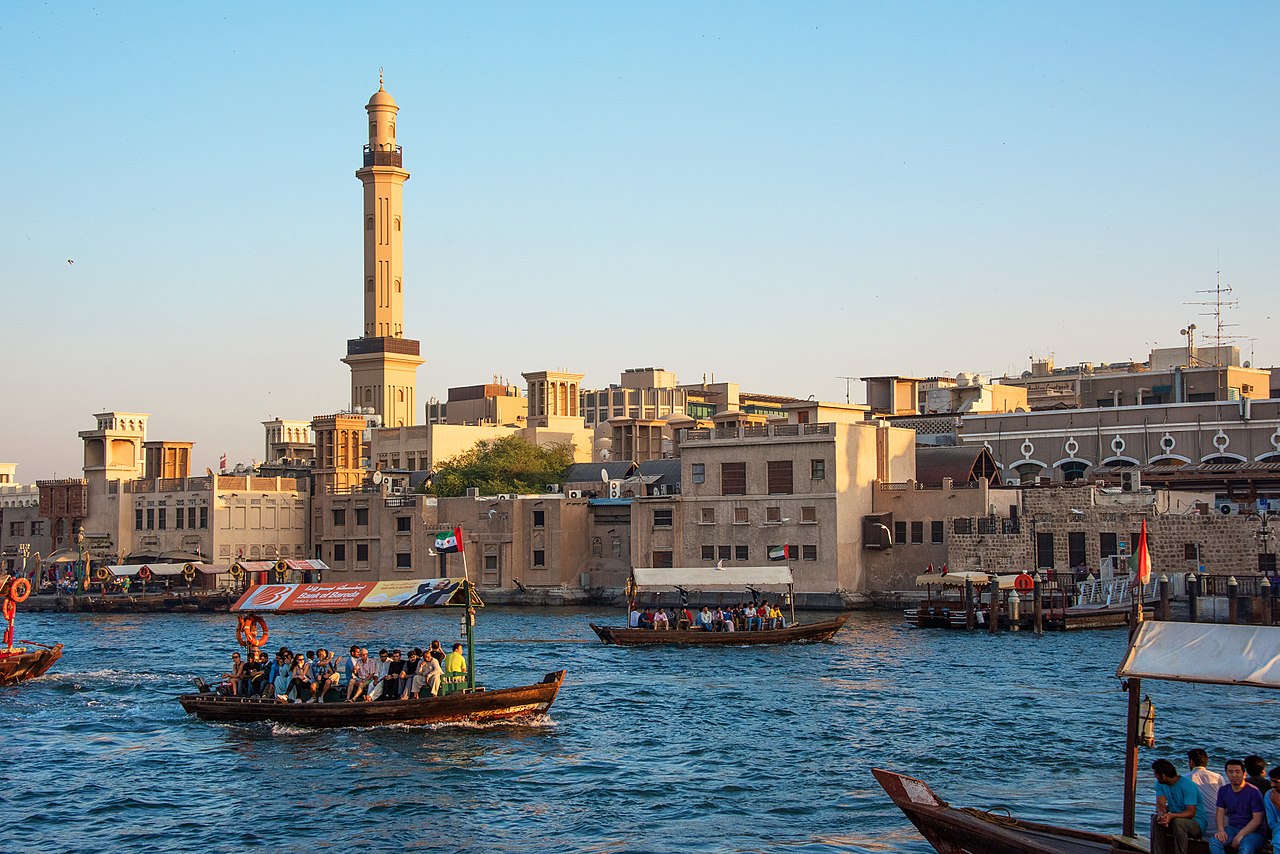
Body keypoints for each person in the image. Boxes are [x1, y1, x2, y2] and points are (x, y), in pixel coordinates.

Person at [1209, 759, 1265, 854]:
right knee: (1214, 842)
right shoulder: (1223, 790)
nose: (1234, 775)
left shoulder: (1253, 792)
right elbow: (1220, 812)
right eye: (1230, 772)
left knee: (1245, 847)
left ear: (1244, 774)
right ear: (1226, 773)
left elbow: (1257, 819)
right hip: (1232, 827)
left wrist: (1240, 835)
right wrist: (1221, 830)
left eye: (1237, 772)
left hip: (1254, 831)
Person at [1152, 758, 1203, 854]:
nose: (1155, 777)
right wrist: (1162, 815)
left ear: (1163, 776)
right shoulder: (1160, 784)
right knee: (1156, 819)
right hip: (1175, 818)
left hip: (1196, 823)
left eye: (1156, 775)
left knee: (1178, 822)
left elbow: (1191, 812)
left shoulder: (1187, 785)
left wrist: (1171, 816)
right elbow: (1160, 804)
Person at [1189, 749, 1226, 831]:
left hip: (1198, 825)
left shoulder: (1185, 779)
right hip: (1219, 825)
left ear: (1191, 762)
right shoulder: (1218, 777)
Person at [1264, 767, 1280, 853]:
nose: (1272, 785)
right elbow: (1271, 823)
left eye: (1276, 782)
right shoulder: (1269, 795)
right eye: (1271, 781)